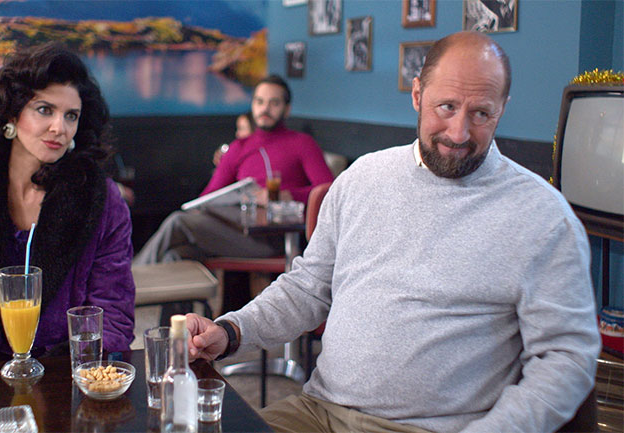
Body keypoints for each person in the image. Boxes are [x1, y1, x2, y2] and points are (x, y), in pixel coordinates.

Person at [185, 31, 600, 432]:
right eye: (446, 107)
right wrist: (231, 331)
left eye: (481, 114)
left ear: (502, 108)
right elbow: (308, 288)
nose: (459, 133)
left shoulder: (542, 216)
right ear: (417, 94)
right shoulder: (362, 177)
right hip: (319, 412)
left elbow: (565, 358)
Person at [0, 42, 135, 366]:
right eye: (45, 110)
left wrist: (71, 373)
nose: (59, 128)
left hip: (70, 368)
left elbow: (113, 310)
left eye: (71, 116)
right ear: (12, 112)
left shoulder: (102, 201)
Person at [134, 75, 334, 266]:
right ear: (253, 105)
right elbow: (208, 197)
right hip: (237, 230)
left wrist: (287, 195)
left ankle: (128, 281)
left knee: (178, 222)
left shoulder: (302, 143)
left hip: (276, 237)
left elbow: (329, 190)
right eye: (259, 102)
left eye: (274, 103)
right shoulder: (238, 147)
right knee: (174, 255)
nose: (265, 108)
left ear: (287, 109)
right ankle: (136, 283)